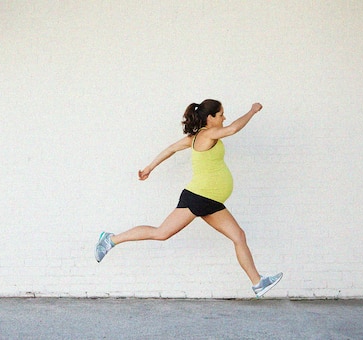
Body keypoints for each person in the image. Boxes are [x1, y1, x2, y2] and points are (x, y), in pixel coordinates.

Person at [95, 99, 282, 298]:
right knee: (161, 233)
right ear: (210, 118)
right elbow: (233, 128)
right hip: (199, 197)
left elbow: (170, 149)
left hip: (211, 201)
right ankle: (111, 239)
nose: (224, 118)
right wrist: (252, 110)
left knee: (239, 236)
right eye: (220, 115)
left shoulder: (195, 138)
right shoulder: (208, 134)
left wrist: (150, 167)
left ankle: (258, 283)